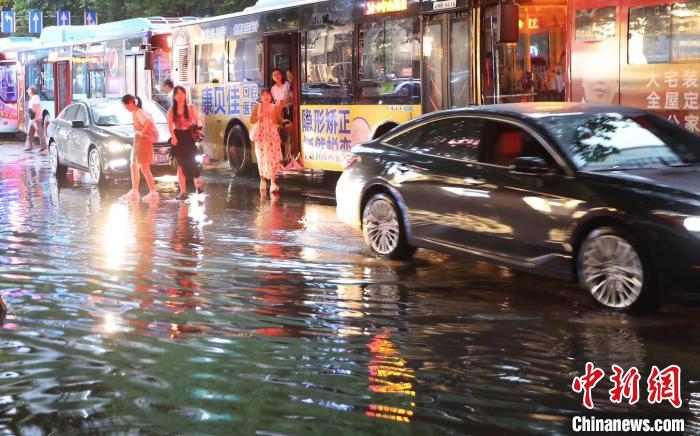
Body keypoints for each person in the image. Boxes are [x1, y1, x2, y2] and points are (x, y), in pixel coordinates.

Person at [168, 86, 204, 200]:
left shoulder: (190, 108)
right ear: (174, 96)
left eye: (182, 93)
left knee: (192, 163)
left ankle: (198, 183)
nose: (180, 95)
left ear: (185, 95)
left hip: (189, 138)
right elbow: (169, 126)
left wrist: (194, 125)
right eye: (177, 94)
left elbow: (197, 121)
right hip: (178, 139)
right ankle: (183, 192)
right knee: (180, 165)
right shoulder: (171, 110)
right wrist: (173, 137)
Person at [121, 94, 159, 202]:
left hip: (143, 142)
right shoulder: (136, 112)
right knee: (134, 166)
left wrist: (142, 133)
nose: (126, 108)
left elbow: (148, 122)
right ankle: (135, 192)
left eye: (127, 105)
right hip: (140, 141)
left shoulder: (139, 112)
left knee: (144, 168)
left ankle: (153, 193)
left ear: (132, 102)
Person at [251, 89, 283, 194]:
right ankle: (263, 180)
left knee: (273, 159)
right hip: (261, 136)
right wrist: (259, 117)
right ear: (261, 97)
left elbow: (279, 121)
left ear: (271, 96)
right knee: (262, 158)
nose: (266, 96)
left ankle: (273, 183)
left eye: (268, 94)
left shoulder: (275, 107)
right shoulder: (257, 107)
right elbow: (251, 120)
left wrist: (282, 120)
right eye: (263, 94)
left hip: (272, 136)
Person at [271, 68, 292, 158]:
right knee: (281, 134)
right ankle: (283, 157)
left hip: (288, 110)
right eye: (274, 75)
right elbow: (275, 101)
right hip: (279, 112)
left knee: (289, 133)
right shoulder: (273, 88)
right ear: (272, 78)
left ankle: (290, 155)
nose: (277, 76)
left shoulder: (287, 85)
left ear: (281, 75)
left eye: (278, 74)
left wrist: (284, 102)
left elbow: (293, 98)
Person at [25, 86, 47, 153]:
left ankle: (44, 147)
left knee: (39, 133)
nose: (27, 92)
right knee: (30, 133)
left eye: (28, 90)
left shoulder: (35, 98)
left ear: (32, 91)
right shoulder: (34, 98)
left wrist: (32, 112)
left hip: (36, 119)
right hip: (33, 119)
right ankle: (28, 147)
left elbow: (36, 106)